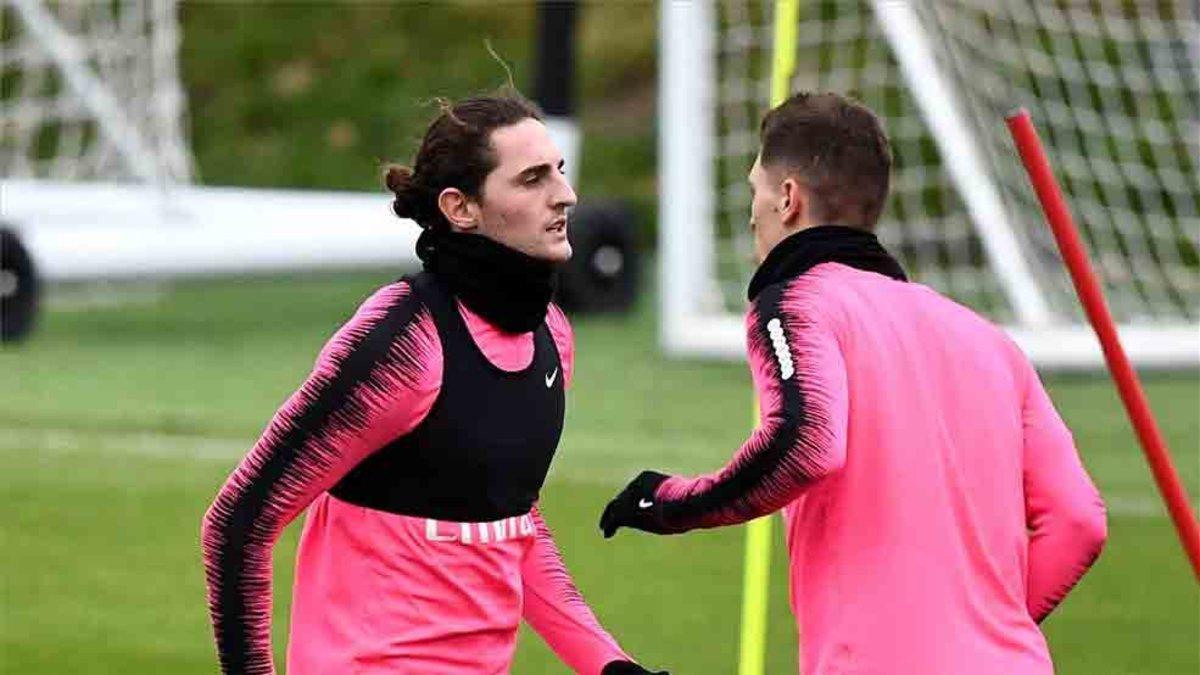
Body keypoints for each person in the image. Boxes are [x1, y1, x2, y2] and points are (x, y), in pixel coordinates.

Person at [599, 92, 1107, 674]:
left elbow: (808, 443)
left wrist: (672, 503)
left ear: (787, 198)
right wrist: (986, 632)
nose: (750, 214)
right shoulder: (988, 338)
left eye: (754, 191)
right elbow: (1079, 519)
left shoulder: (795, 301)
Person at [202, 93, 666, 675]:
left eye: (561, 172)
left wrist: (607, 661)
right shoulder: (400, 341)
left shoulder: (549, 334)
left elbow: (511, 521)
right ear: (461, 208)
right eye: (532, 179)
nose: (565, 195)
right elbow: (239, 523)